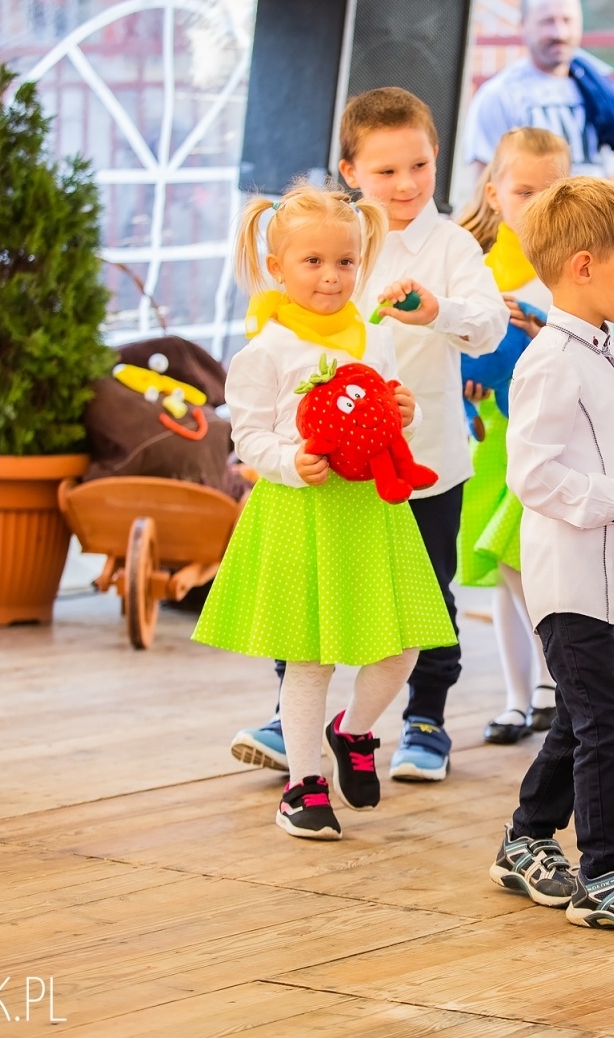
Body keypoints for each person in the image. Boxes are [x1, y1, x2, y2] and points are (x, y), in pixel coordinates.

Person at [228, 89, 509, 783]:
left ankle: (424, 720)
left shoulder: (450, 246)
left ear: (437, 157)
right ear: (350, 171)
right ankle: (291, 711)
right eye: (386, 172)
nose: (407, 184)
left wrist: (436, 311)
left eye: (419, 165)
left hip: (428, 460)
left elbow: (490, 326)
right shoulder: (332, 242)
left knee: (424, 599)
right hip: (333, 478)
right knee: (319, 594)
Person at [195, 184, 456, 840]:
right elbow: (248, 437)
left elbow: (396, 414)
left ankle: (357, 731)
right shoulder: (263, 352)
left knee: (401, 649)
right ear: (277, 266)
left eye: (344, 262)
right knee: (310, 661)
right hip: (301, 512)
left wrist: (408, 413)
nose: (331, 276)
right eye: (312, 262)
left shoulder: (373, 337)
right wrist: (290, 462)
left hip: (370, 513)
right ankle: (302, 787)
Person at [488, 175, 614, 936]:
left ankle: (525, 840)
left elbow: (610, 458)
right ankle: (606, 874)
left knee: (581, 718)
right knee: (608, 718)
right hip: (570, 581)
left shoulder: (608, 353)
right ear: (583, 266)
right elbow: (533, 474)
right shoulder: (549, 360)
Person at [453, 127, 570, 744]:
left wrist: (539, 321)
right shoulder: (472, 263)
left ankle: (553, 685)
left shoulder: (572, 262)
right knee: (505, 568)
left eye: (552, 190)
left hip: (548, 435)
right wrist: (466, 373)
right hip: (494, 434)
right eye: (525, 190)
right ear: (494, 192)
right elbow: (457, 337)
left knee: (521, 558)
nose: (538, 202)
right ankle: (519, 698)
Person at [463, 0, 605, 177]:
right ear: (522, 25)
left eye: (567, 20)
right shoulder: (500, 95)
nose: (560, 33)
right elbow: (485, 182)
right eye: (547, 22)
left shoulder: (601, 91)